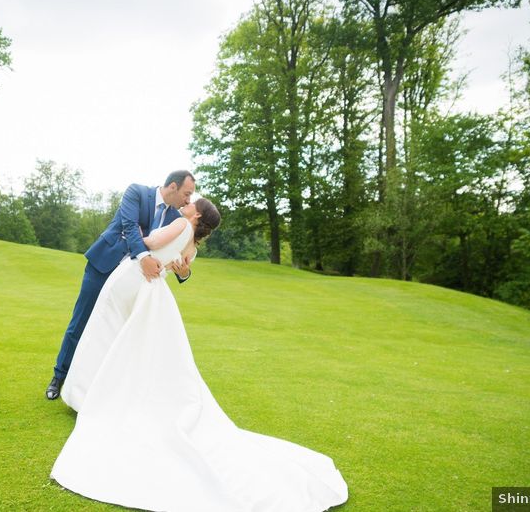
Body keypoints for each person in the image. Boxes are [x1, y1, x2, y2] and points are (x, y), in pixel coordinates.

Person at [51, 198, 349, 511]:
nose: (187, 203)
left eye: (193, 202)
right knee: (127, 342)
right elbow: (181, 266)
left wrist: (136, 235)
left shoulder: (180, 224)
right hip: (152, 288)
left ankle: (87, 394)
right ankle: (94, 392)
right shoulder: (192, 247)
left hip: (136, 277)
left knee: (106, 329)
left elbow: (150, 242)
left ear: (196, 214)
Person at [46, 170, 196, 400]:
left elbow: (175, 250)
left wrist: (184, 273)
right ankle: (59, 376)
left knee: (114, 331)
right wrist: (145, 256)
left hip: (132, 282)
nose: (188, 200)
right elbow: (129, 226)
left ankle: (95, 386)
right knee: (81, 321)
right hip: (104, 265)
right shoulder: (137, 192)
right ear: (173, 186)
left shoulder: (177, 218)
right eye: (187, 194)